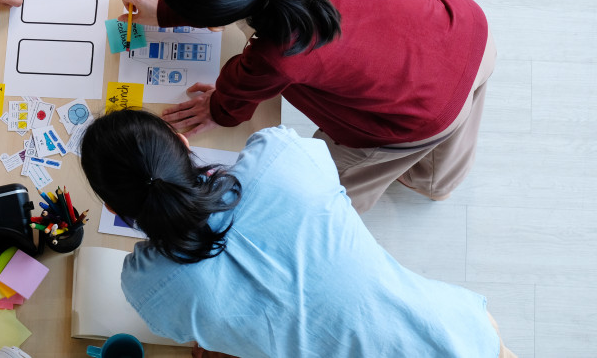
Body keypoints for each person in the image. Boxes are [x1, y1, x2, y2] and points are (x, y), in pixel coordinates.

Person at [121, 0, 494, 212]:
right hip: (465, 27)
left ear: (212, 20)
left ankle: (432, 183)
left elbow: (230, 110)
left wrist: (216, 106)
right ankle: (436, 179)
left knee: (330, 184)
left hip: (426, 113)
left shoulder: (271, 58)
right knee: (464, 99)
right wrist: (175, 9)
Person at [80, 110, 518, 358]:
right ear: (183, 141)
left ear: (115, 208)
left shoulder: (147, 285)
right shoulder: (281, 156)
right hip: (459, 334)